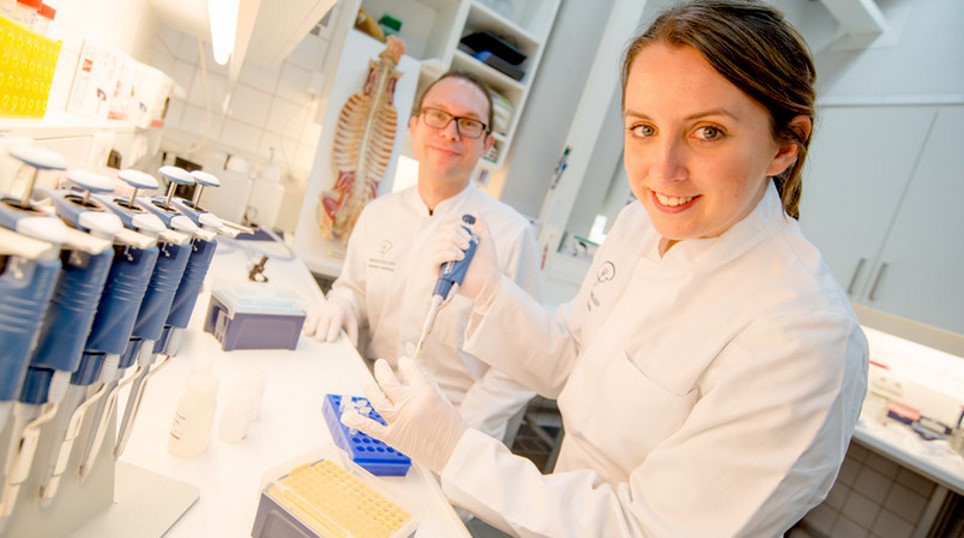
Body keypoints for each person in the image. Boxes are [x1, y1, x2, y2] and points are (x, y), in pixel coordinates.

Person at [340, 1, 870, 536]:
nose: (663, 169)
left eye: (708, 131)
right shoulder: (640, 225)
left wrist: (454, 450)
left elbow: (646, 528)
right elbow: (575, 358)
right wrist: (491, 291)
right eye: (643, 128)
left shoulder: (804, 335)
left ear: (785, 145)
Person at [304, 71, 542, 442]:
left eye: (468, 123)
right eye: (437, 115)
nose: (450, 132)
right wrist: (343, 302)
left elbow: (523, 358)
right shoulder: (378, 214)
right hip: (371, 402)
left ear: (487, 144)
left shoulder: (511, 234)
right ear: (414, 127)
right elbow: (355, 288)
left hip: (455, 426)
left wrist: (460, 428)